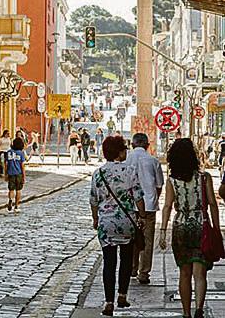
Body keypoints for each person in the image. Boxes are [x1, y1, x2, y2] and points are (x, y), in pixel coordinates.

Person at [160, 138, 220, 318]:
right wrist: (216, 228)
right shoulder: (204, 177)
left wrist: (163, 231)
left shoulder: (172, 181)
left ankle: (186, 313)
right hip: (201, 226)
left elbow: (167, 206)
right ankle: (199, 309)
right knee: (199, 273)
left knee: (184, 273)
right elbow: (212, 203)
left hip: (180, 227)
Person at [90, 136, 146, 316]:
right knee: (126, 259)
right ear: (120, 152)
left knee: (109, 262)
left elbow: (93, 200)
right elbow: (138, 197)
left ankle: (108, 302)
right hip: (126, 222)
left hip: (106, 223)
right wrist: (142, 216)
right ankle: (122, 295)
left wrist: (95, 219)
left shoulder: (98, 173)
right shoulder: (129, 171)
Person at [125, 132, 164, 284]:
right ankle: (144, 272)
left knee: (131, 239)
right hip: (148, 206)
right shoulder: (153, 161)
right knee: (147, 241)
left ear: (132, 145)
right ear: (148, 145)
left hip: (130, 206)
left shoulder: (126, 160)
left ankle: (132, 267)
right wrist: (153, 198)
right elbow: (159, 185)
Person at [5, 137, 27, 212]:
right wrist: (24, 176)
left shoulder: (9, 152)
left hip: (11, 173)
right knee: (18, 190)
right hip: (18, 173)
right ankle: (16, 206)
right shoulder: (21, 153)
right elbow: (22, 166)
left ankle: (10, 200)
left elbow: (6, 164)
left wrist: (6, 174)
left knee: (11, 189)